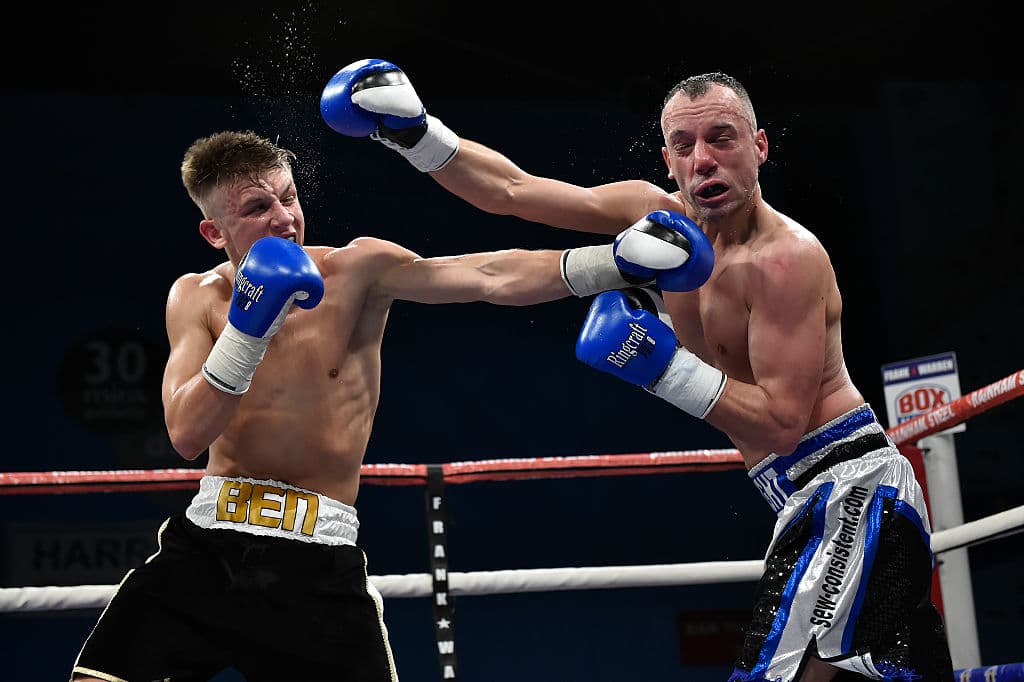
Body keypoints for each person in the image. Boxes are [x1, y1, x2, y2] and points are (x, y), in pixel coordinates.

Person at [320, 60, 956, 681]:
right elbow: (511, 191)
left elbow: (786, 423)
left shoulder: (786, 260)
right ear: (668, 160)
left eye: (722, 138)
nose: (703, 157)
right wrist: (415, 132)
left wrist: (661, 368)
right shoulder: (656, 217)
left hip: (851, 488)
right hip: (799, 496)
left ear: (759, 147)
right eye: (684, 145)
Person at [69, 130, 709, 681]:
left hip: (315, 564)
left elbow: (488, 276)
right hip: (206, 550)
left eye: (288, 196)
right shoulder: (195, 298)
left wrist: (613, 263)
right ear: (214, 231)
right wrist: (247, 329)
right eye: (257, 208)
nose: (285, 218)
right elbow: (185, 432)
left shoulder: (358, 272)